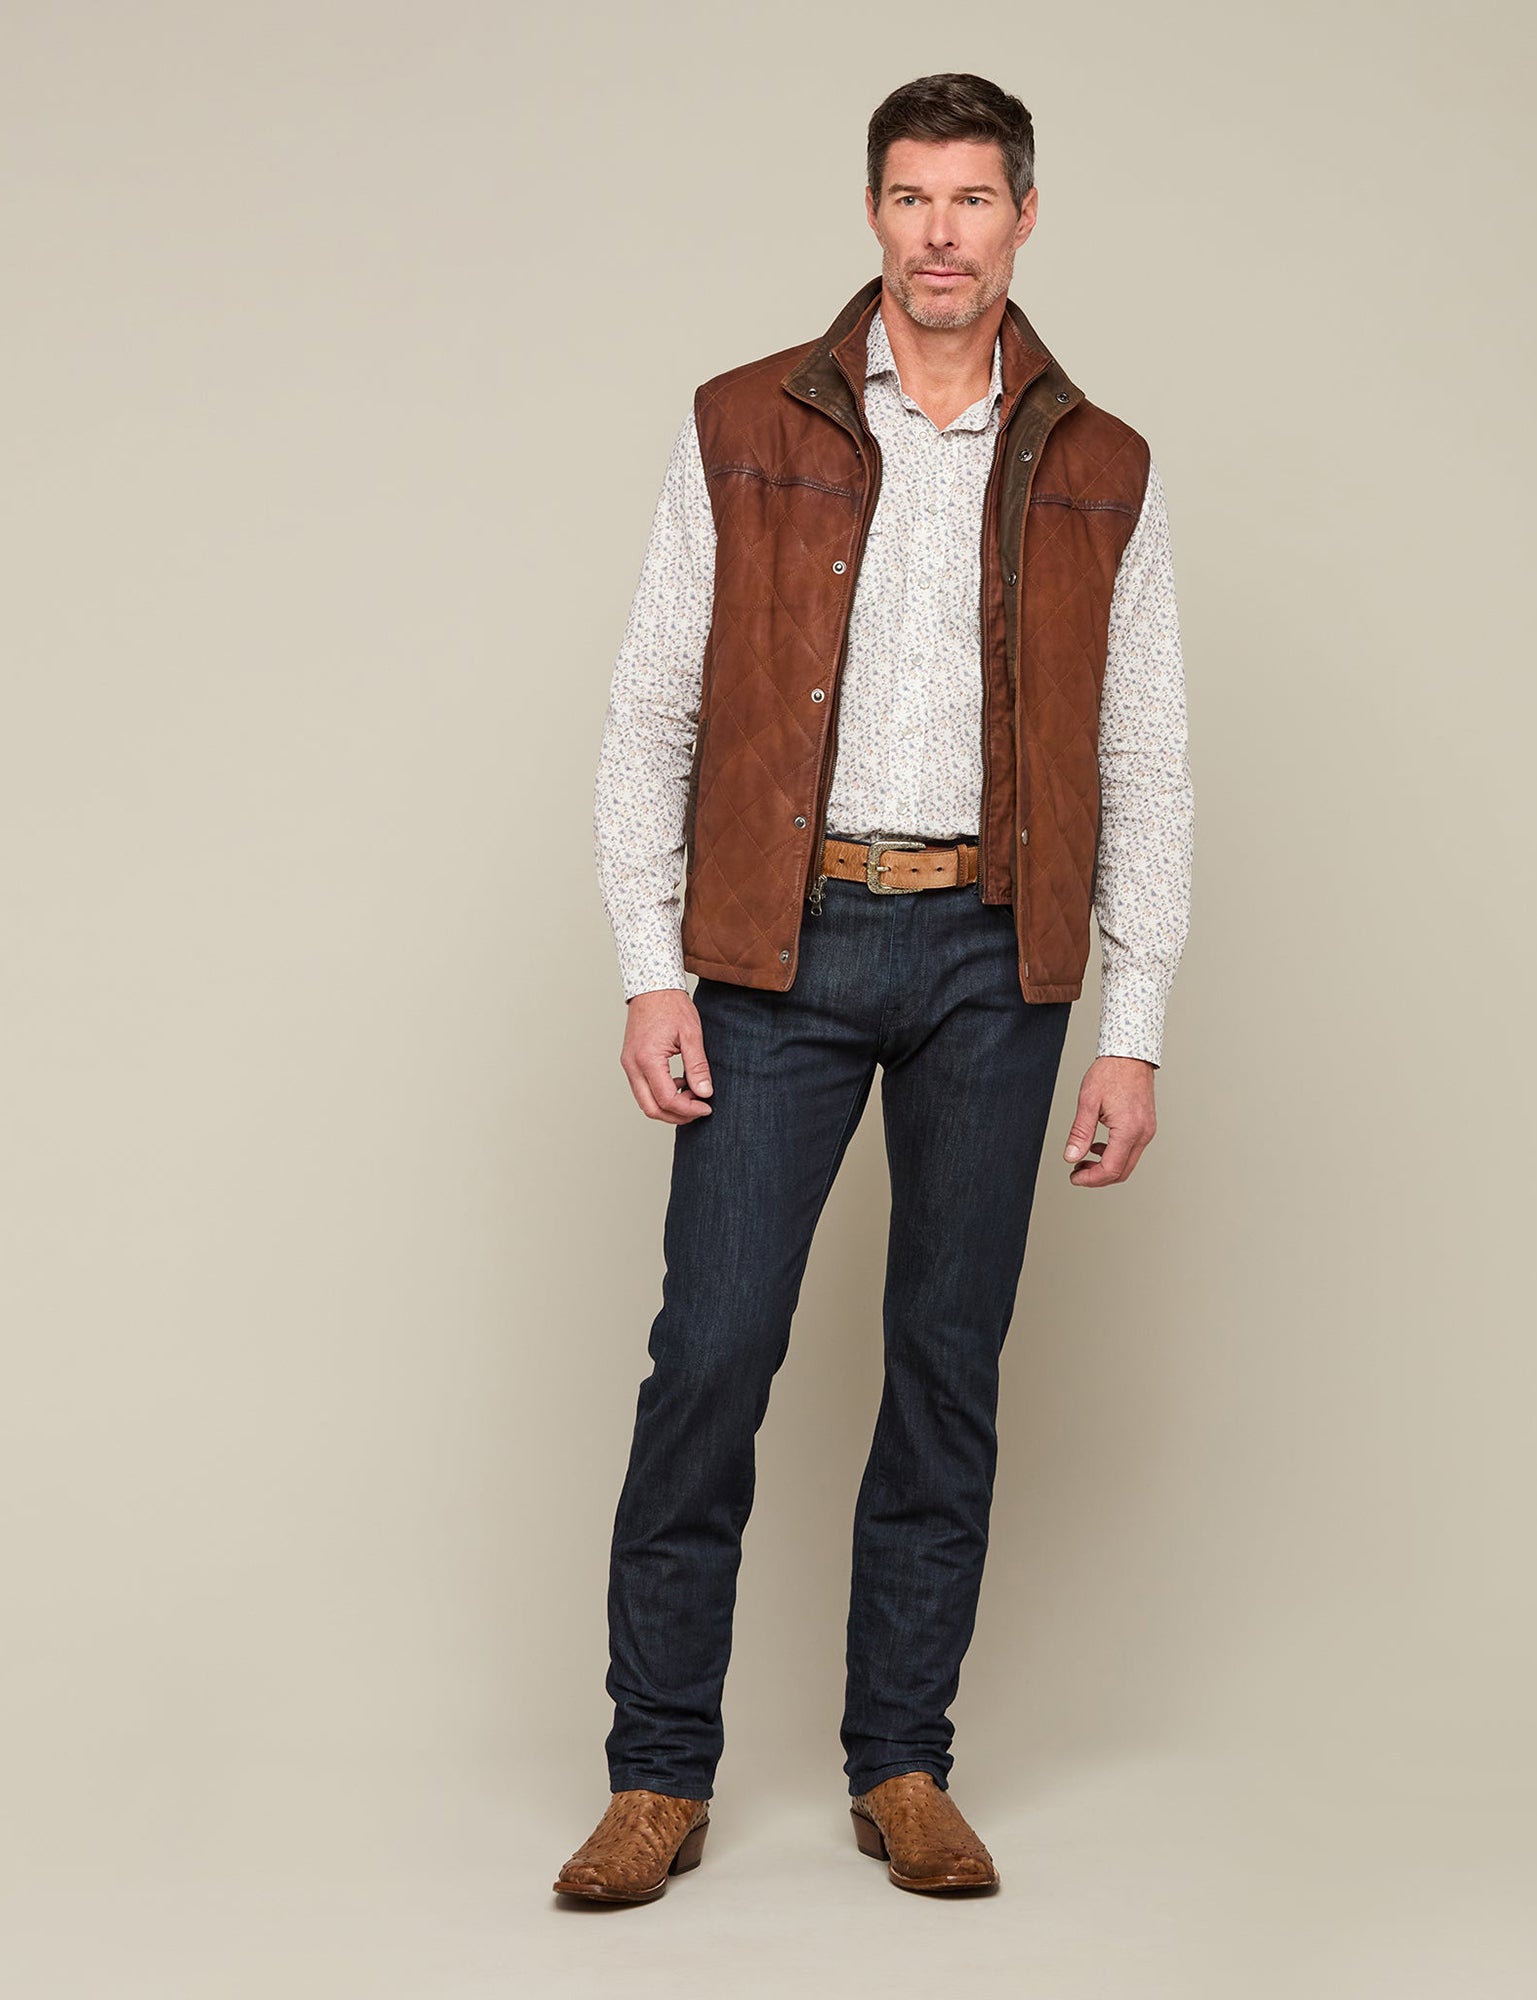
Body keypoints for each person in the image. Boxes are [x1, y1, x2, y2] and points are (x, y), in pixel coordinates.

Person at [553, 71, 1193, 1904]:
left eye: (973, 199)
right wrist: (650, 967)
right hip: (781, 945)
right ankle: (658, 1774)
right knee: (714, 1350)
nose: (941, 233)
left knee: (945, 1365)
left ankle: (902, 1761)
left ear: (1024, 218)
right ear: (872, 214)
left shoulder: (1103, 462)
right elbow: (651, 714)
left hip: (996, 956)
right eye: (912, 197)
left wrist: (1134, 1023)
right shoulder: (744, 422)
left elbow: (1145, 757)